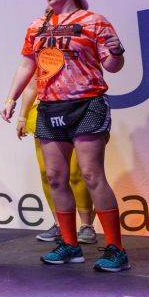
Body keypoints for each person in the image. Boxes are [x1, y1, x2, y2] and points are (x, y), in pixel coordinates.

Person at [1, 0, 128, 272]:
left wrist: (117, 49)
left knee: (91, 175)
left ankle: (116, 249)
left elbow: (113, 66)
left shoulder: (93, 21)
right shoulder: (37, 25)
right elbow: (27, 64)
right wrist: (11, 99)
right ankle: (70, 246)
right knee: (56, 178)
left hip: (87, 103)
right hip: (49, 108)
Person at [16, 76, 96, 243]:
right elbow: (31, 87)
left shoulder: (76, 50)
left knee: (76, 173)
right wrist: (22, 117)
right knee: (48, 173)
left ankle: (86, 226)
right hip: (46, 114)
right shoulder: (41, 53)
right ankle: (59, 224)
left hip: (76, 111)